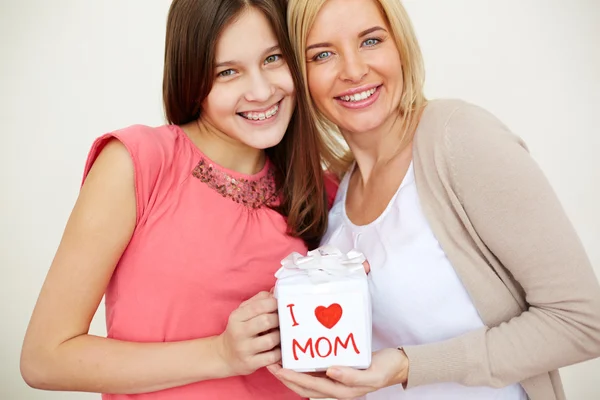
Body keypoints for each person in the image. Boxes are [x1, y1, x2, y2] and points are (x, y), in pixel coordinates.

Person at [267, 0, 600, 399]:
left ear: (401, 46)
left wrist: (410, 366)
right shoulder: (337, 190)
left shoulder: (457, 138)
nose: (353, 70)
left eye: (371, 41)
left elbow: (582, 322)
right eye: (322, 54)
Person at [20, 0, 336, 398]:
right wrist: (219, 354)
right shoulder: (139, 163)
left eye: (273, 58)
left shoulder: (319, 190)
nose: (261, 90)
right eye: (228, 72)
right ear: (193, 77)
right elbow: (45, 358)